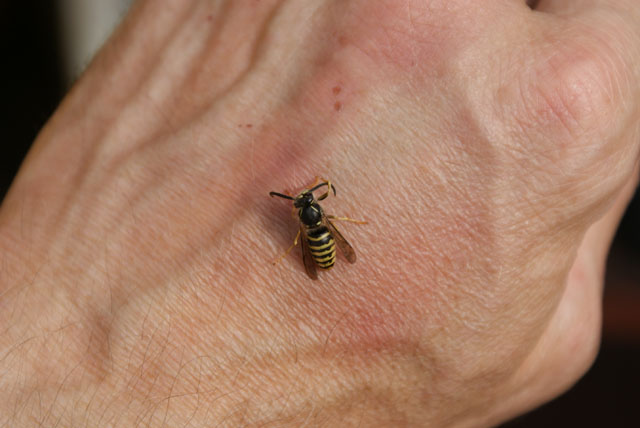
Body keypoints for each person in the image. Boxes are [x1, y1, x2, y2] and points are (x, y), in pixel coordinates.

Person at [0, 0, 638, 426]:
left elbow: (321, 235)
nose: (307, 212)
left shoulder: (311, 226)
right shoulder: (315, 226)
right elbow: (325, 236)